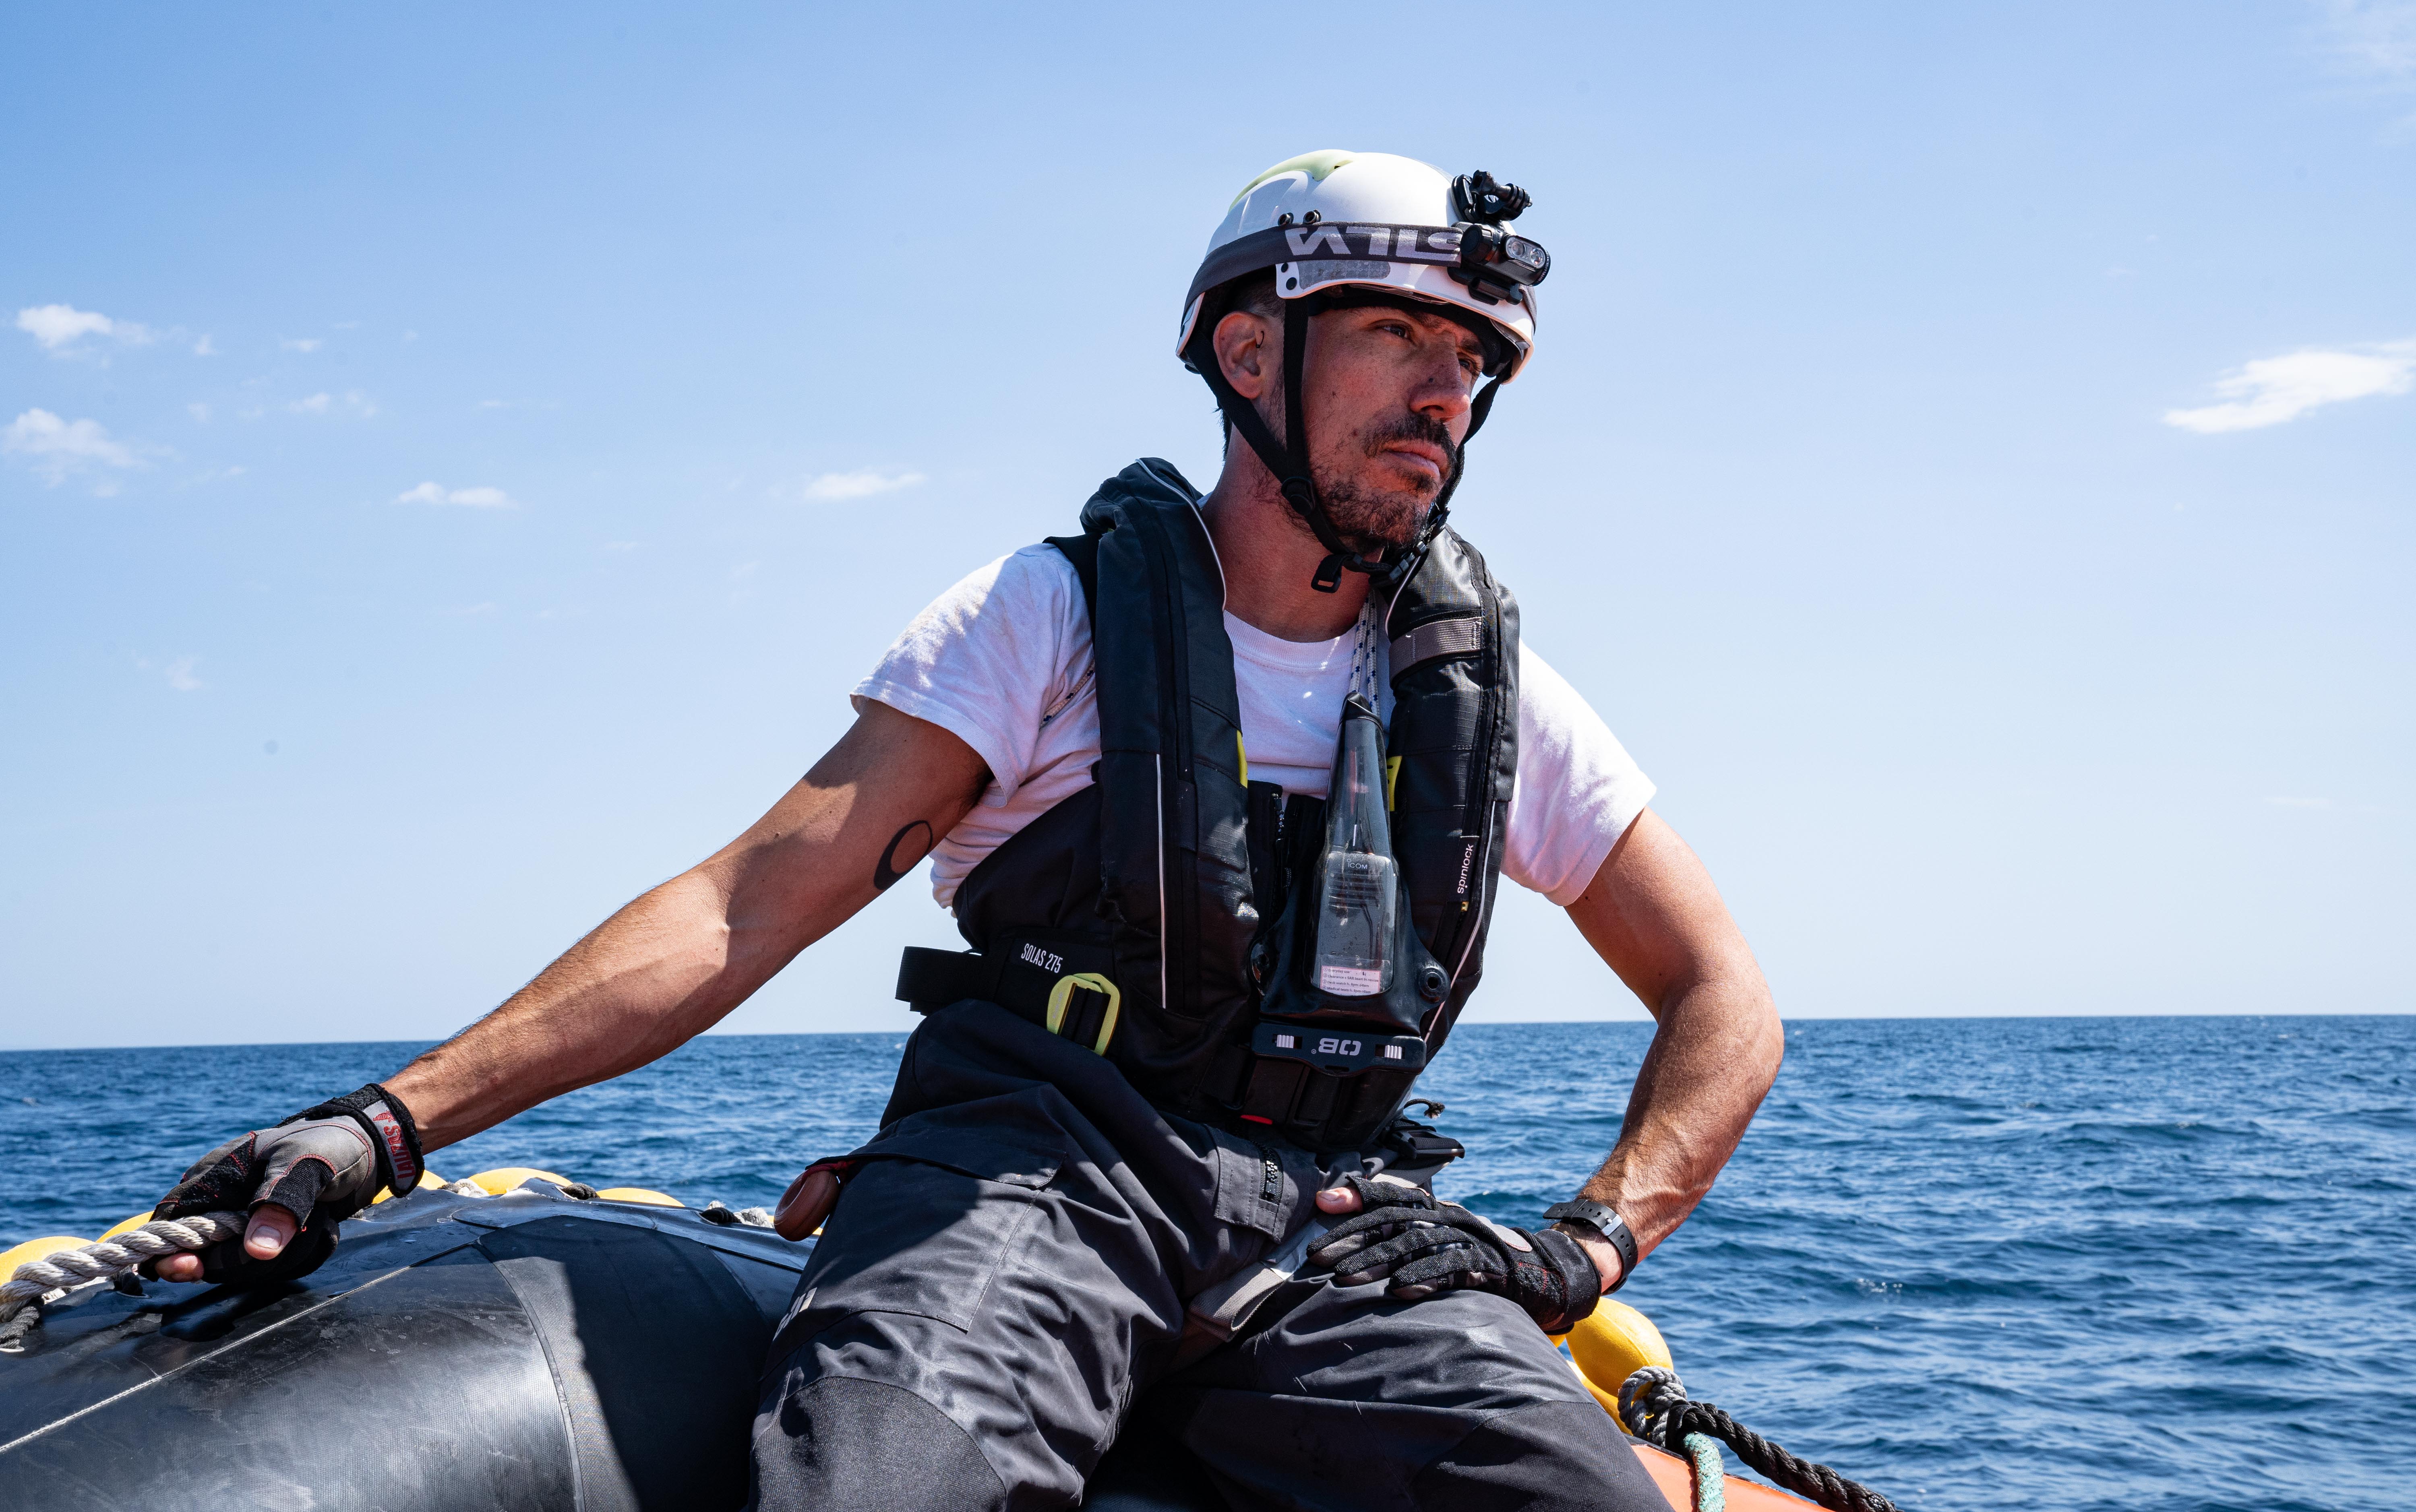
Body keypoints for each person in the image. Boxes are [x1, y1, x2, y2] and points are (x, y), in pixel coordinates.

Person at [148, 150, 1785, 1510]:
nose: (1450, 388)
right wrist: (389, 1119)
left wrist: (1578, 1245)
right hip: (1029, 1185)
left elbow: (1726, 996)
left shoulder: (1499, 700)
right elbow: (745, 903)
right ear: (1248, 352)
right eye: (1401, 337)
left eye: (1476, 361)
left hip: (1328, 1232)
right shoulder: (1047, 618)